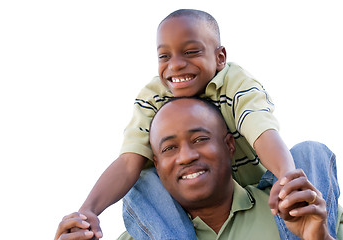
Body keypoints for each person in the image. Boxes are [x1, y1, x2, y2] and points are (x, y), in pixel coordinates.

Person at [69, 9, 335, 239]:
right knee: (142, 181)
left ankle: (303, 233)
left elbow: (261, 130)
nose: (176, 65)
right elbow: (128, 162)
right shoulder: (152, 97)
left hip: (262, 186)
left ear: (220, 57)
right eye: (164, 56)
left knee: (312, 152)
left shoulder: (236, 81)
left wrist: (287, 178)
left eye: (191, 52)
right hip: (179, 205)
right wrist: (87, 212)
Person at [55, 97, 343, 240]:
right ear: (156, 164)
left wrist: (317, 237)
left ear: (230, 146)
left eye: (200, 139)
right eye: (169, 148)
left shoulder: (308, 213)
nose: (186, 156)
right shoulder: (142, 232)